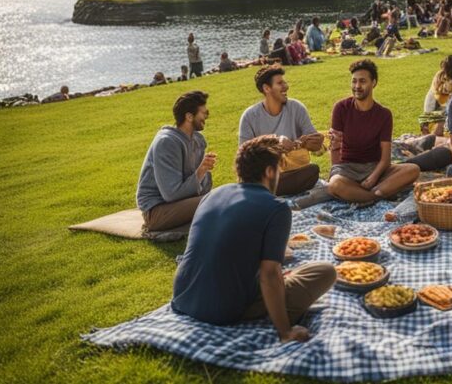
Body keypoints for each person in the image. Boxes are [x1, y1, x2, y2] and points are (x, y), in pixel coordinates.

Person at [170, 135, 335, 341]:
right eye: (278, 169)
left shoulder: (212, 195)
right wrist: (285, 332)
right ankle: (273, 320)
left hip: (183, 296)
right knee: (324, 271)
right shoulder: (277, 208)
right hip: (222, 310)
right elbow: (269, 275)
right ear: (269, 171)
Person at [327, 60, 420, 203]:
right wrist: (337, 171)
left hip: (375, 168)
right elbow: (334, 149)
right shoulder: (341, 108)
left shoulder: (384, 114)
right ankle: (375, 196)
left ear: (373, 83)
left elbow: (385, 159)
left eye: (362, 81)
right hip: (347, 168)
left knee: (413, 169)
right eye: (354, 82)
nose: (357, 86)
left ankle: (362, 194)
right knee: (335, 184)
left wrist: (374, 177)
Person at [135, 91, 216, 231]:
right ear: (189, 116)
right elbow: (171, 195)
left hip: (182, 203)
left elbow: (202, 187)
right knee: (216, 201)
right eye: (204, 113)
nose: (206, 117)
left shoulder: (197, 140)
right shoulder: (167, 143)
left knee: (225, 195)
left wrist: (202, 173)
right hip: (157, 210)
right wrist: (201, 171)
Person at [238, 65, 324, 196]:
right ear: (267, 88)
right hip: (264, 176)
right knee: (255, 184)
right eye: (280, 83)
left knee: (312, 170)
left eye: (284, 82)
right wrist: (275, 143)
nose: (286, 86)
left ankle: (265, 194)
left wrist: (313, 143)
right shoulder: (250, 116)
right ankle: (264, 191)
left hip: (294, 172)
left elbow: (317, 147)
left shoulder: (296, 108)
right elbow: (244, 158)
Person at [422, 55, 452, 134]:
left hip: (437, 110)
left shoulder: (444, 76)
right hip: (433, 112)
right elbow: (444, 99)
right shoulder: (444, 80)